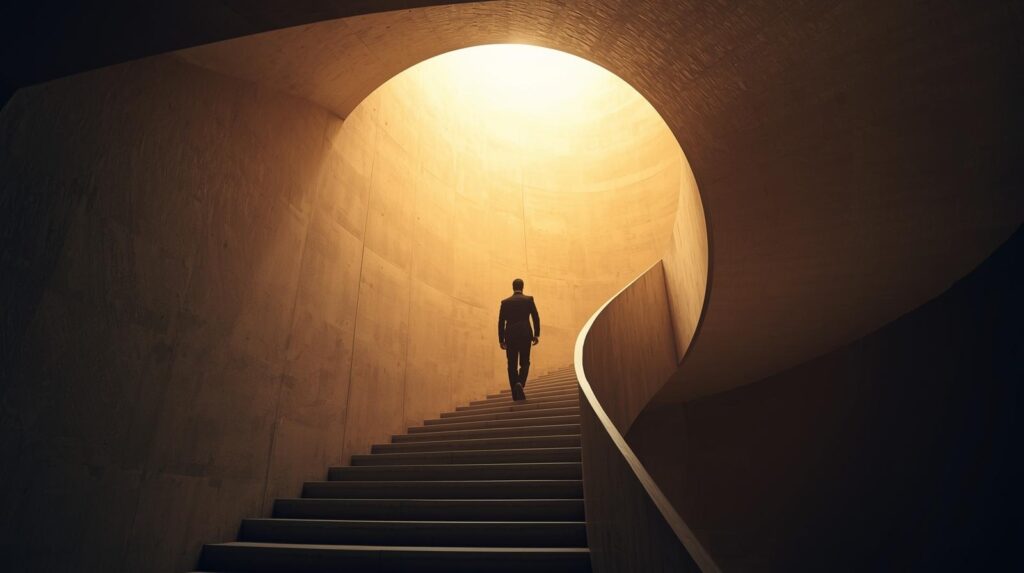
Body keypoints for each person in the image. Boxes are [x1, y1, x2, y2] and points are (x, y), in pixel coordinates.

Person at [498, 278, 540, 401]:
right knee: (525, 362)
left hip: (510, 335)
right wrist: (536, 334)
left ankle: (515, 394)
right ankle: (520, 383)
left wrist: (501, 339)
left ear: (513, 287)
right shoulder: (528, 300)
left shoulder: (505, 302)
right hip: (525, 333)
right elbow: (535, 317)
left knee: (511, 364)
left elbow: (500, 322)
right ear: (523, 287)